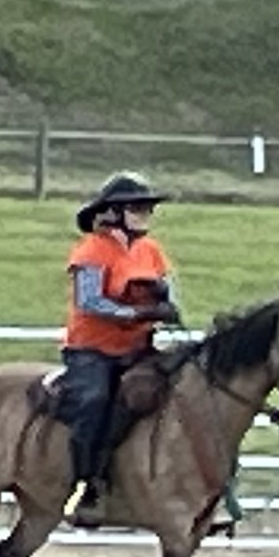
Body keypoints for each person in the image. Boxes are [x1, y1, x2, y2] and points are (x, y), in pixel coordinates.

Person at [60, 171, 182, 528]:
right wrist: (136, 312)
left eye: (147, 208)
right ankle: (85, 483)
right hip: (91, 350)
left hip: (138, 347)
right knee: (94, 400)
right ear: (114, 212)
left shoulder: (152, 251)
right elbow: (90, 301)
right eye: (138, 207)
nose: (146, 214)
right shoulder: (91, 251)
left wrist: (167, 306)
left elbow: (169, 288)